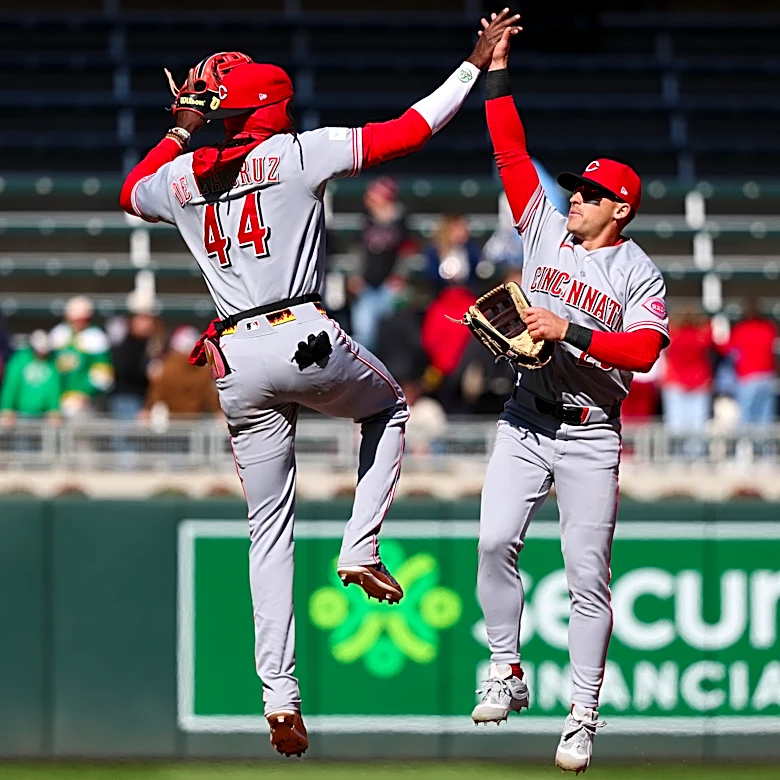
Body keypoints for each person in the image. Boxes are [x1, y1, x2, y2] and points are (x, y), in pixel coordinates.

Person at [118, 13, 519, 757]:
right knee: (390, 407)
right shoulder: (299, 153)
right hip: (299, 332)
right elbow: (411, 129)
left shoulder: (180, 177)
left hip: (234, 356)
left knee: (267, 528)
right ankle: (360, 545)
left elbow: (128, 191)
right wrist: (472, 64)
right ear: (273, 105)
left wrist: (180, 130)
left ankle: (279, 697)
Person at [471, 20, 669, 774]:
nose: (577, 197)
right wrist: (496, 73)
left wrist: (572, 330)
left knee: (587, 579)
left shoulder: (638, 272)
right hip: (525, 417)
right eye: (578, 189)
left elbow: (644, 351)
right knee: (493, 542)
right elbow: (510, 154)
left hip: (590, 431)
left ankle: (582, 713)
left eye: (592, 193)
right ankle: (506, 668)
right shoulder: (545, 231)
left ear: (621, 208)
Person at [349, 176, 413, 351]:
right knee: (364, 335)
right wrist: (355, 276)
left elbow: (407, 252)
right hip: (367, 284)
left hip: (390, 284)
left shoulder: (400, 220)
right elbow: (357, 250)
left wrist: (400, 276)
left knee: (389, 334)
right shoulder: (366, 220)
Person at [49, 295, 114, 417]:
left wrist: (85, 393)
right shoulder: (58, 334)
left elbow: (103, 375)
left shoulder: (96, 338)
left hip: (85, 403)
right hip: (57, 401)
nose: (79, 323)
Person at [144, 326, 221, 419]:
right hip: (196, 421)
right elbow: (211, 397)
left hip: (173, 421)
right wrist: (218, 411)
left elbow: (156, 394)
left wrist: (148, 409)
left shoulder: (165, 368)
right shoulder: (203, 371)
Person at [660, 310, 715, 432]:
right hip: (698, 381)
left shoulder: (673, 334)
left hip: (676, 381)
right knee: (698, 425)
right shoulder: (702, 335)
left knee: (675, 424)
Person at [728, 301, 778, 425]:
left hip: (747, 377)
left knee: (746, 418)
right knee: (765, 418)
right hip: (767, 376)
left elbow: (728, 350)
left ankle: (746, 439)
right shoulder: (769, 329)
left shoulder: (740, 330)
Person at [0, 330, 61, 424]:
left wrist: (54, 409)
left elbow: (54, 388)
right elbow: (11, 385)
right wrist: (6, 408)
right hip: (19, 414)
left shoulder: (51, 363)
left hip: (43, 415)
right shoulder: (19, 360)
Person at [423, 213, 482, 292]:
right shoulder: (433, 252)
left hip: (466, 292)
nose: (463, 233)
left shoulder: (471, 251)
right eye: (458, 229)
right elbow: (432, 276)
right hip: (441, 292)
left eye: (464, 229)